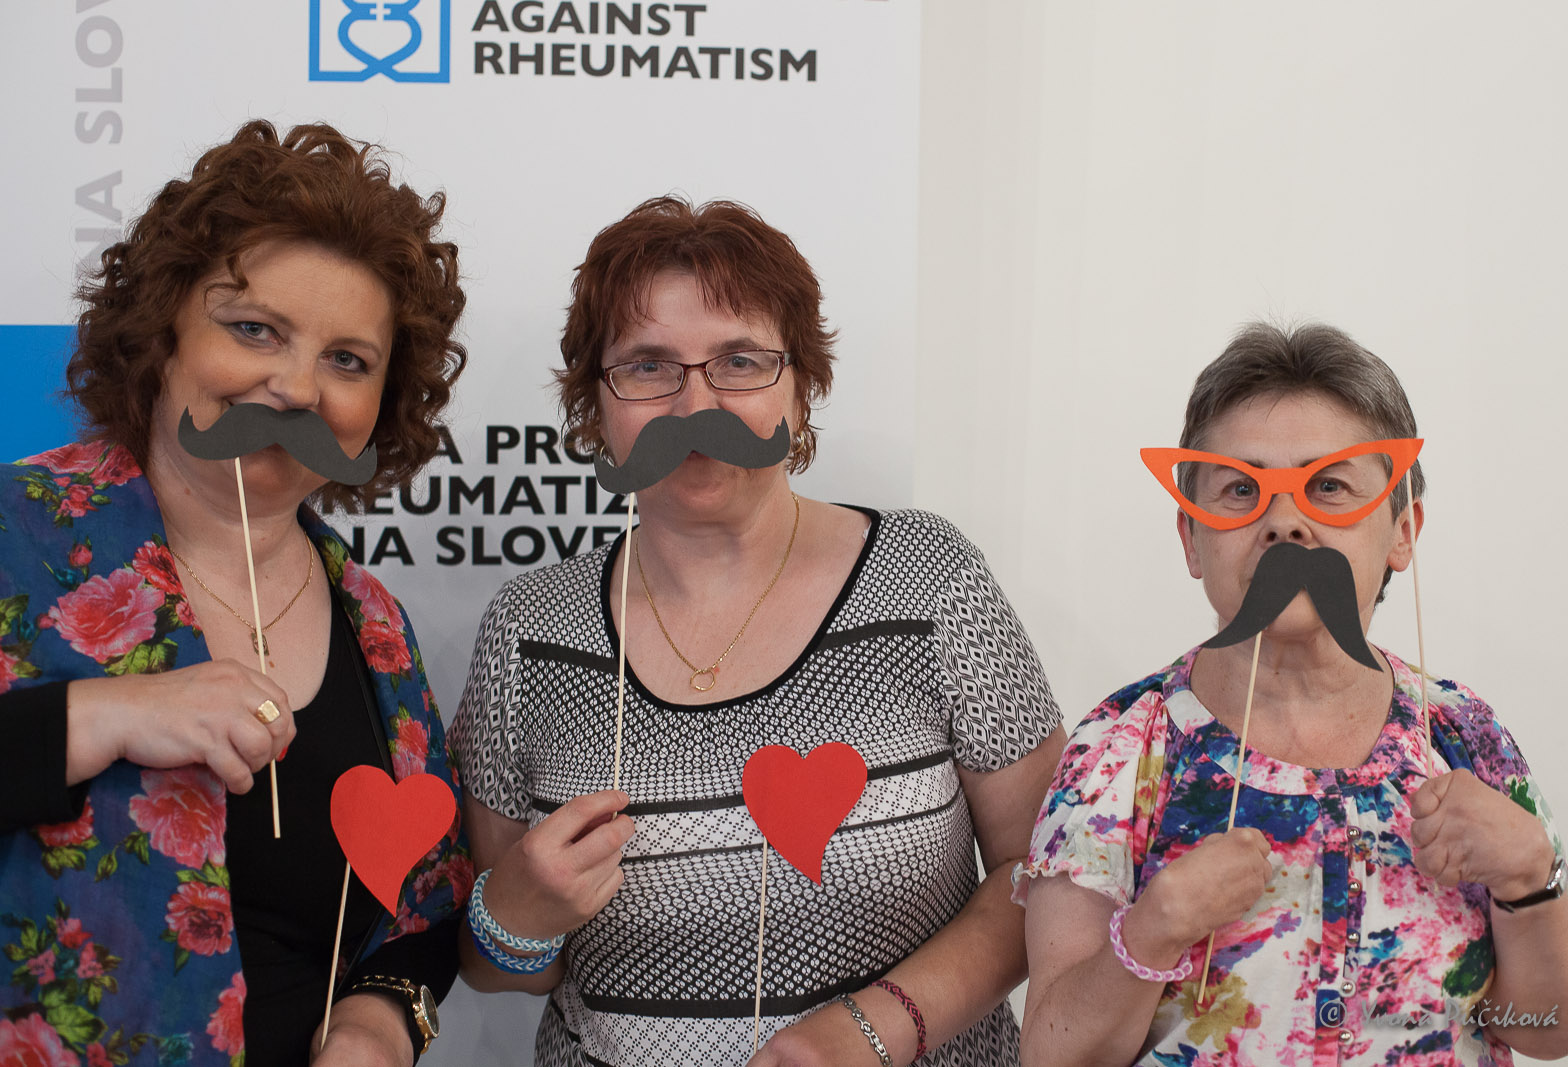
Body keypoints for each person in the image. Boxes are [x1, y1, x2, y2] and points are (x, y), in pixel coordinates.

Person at [447, 196, 1067, 1066]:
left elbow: (1048, 873)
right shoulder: (529, 629)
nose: (695, 402)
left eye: (739, 361)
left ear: (800, 389)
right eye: (648, 366)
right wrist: (512, 916)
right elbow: (495, 967)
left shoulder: (929, 577)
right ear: (597, 407)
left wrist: (874, 1030)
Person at [0, 120, 474, 1066]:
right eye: (254, 329)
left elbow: (426, 912)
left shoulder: (375, 623)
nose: (296, 387)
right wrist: (103, 716)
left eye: (348, 360)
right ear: (163, 333)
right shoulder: (16, 530)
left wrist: (381, 1024)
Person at [1016, 323, 1568, 1065]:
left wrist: (1529, 880)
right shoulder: (1117, 754)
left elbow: (1561, 1027)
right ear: (1191, 538)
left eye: (1328, 486)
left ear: (1402, 531)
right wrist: (1153, 929)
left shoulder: (1462, 735)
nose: (1285, 522)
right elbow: (1052, 1055)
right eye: (1241, 489)